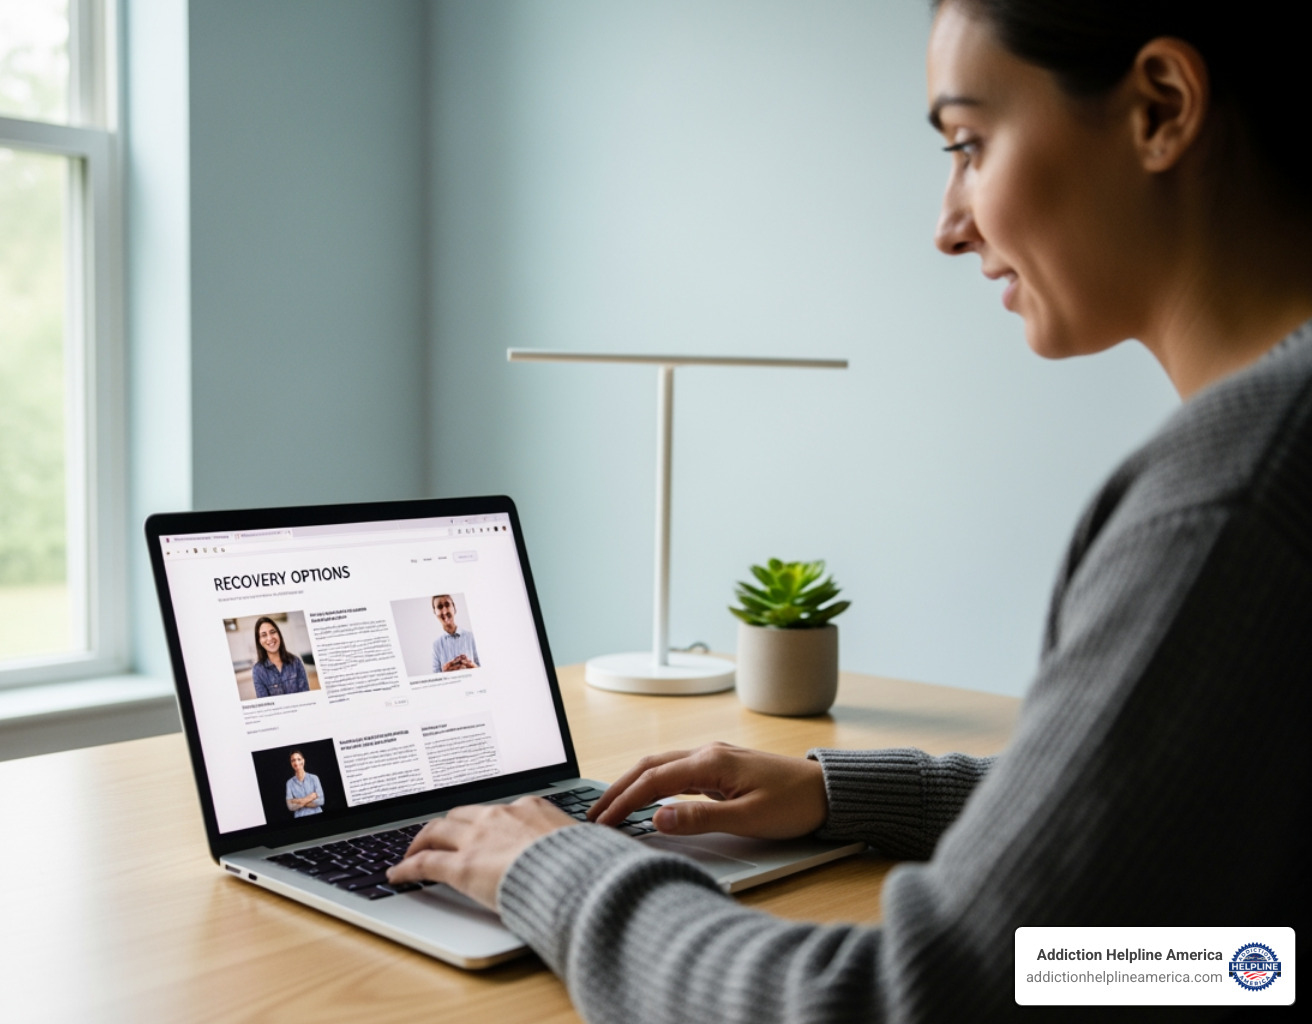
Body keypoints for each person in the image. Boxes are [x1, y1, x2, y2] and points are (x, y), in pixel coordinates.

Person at [391, 1, 1312, 1019]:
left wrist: (553, 867)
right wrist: (845, 794)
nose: (947, 225)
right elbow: (1230, 935)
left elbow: (894, 1002)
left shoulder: (1234, 495)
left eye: (969, 144)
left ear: (1161, 108)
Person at [251, 616, 309, 698]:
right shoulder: (258, 671)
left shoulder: (296, 662)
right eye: (264, 635)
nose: (270, 638)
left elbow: (306, 696)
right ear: (259, 641)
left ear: (279, 634)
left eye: (272, 632)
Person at [430, 594, 480, 673]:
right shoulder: (436, 645)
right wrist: (444, 673)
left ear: (454, 608)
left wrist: (473, 667)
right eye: (439, 607)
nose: (445, 611)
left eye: (447, 605)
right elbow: (435, 678)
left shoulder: (472, 637)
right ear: (435, 612)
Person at [285, 750, 324, 818]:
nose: (296, 762)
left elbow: (321, 801)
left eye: (299, 759)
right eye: (293, 760)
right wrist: (310, 798)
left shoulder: (314, 778)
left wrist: (296, 801)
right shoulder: (289, 783)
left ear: (303, 761)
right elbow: (290, 807)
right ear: (291, 763)